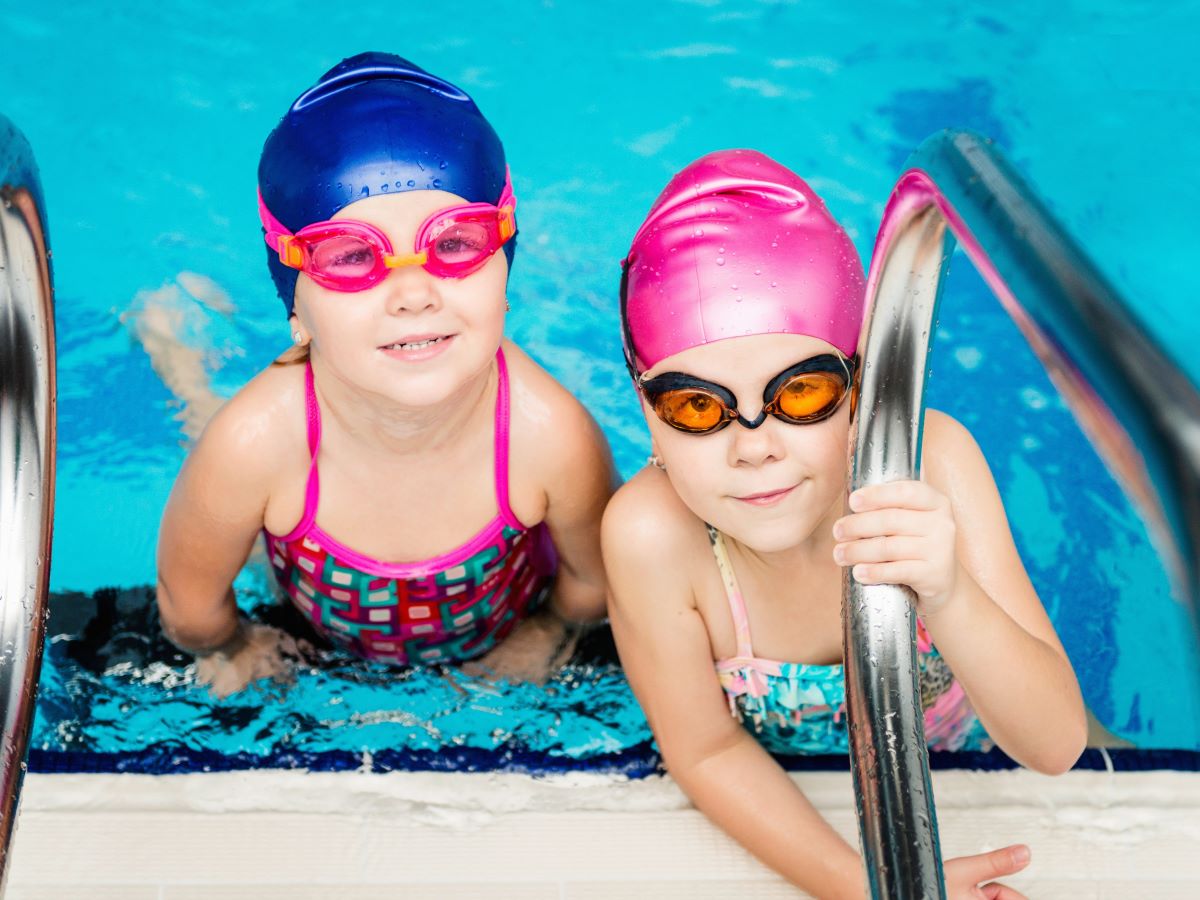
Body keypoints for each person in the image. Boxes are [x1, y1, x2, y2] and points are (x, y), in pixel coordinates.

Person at [601, 149, 1087, 898]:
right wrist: (865, 886)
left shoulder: (934, 466)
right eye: (697, 406)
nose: (755, 447)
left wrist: (950, 593)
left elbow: (1055, 745)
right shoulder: (650, 536)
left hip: (973, 756)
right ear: (645, 413)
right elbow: (705, 751)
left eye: (800, 394)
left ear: (860, 385)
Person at [156, 53, 615, 695]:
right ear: (295, 305)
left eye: (454, 243)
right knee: (211, 437)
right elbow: (189, 605)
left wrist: (546, 633)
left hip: (499, 622)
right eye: (350, 257)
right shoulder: (256, 444)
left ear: (505, 264)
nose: (413, 293)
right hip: (292, 535)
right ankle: (182, 358)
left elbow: (592, 584)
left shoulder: (547, 435)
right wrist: (233, 645)